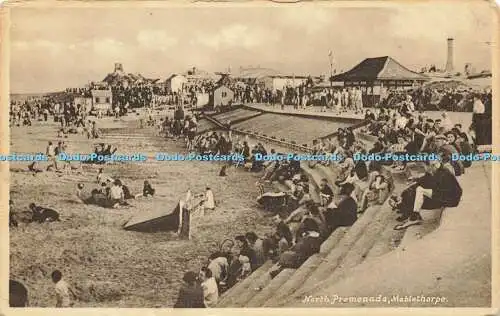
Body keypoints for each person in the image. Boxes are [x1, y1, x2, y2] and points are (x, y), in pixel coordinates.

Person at [394, 159, 462, 230]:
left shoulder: (443, 174)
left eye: (426, 167)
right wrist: (416, 181)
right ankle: (409, 212)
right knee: (417, 190)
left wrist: (421, 188)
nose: (426, 170)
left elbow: (436, 187)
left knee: (419, 190)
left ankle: (414, 217)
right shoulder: (438, 170)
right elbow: (427, 179)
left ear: (432, 166)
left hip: (451, 200)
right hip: (445, 195)